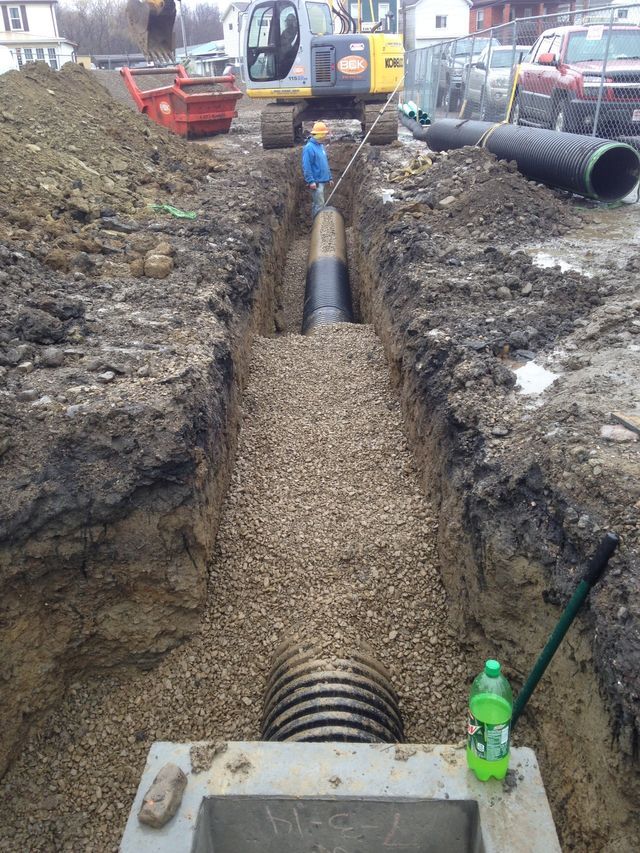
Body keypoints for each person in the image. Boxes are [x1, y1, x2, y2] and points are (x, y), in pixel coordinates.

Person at [302, 121, 333, 217]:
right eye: (324, 134)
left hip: (323, 180)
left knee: (318, 204)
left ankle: (316, 222)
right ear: (319, 135)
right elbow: (306, 166)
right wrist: (311, 181)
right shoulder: (309, 148)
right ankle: (318, 227)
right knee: (319, 205)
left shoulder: (320, 146)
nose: (325, 136)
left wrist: (330, 177)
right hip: (316, 182)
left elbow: (325, 163)